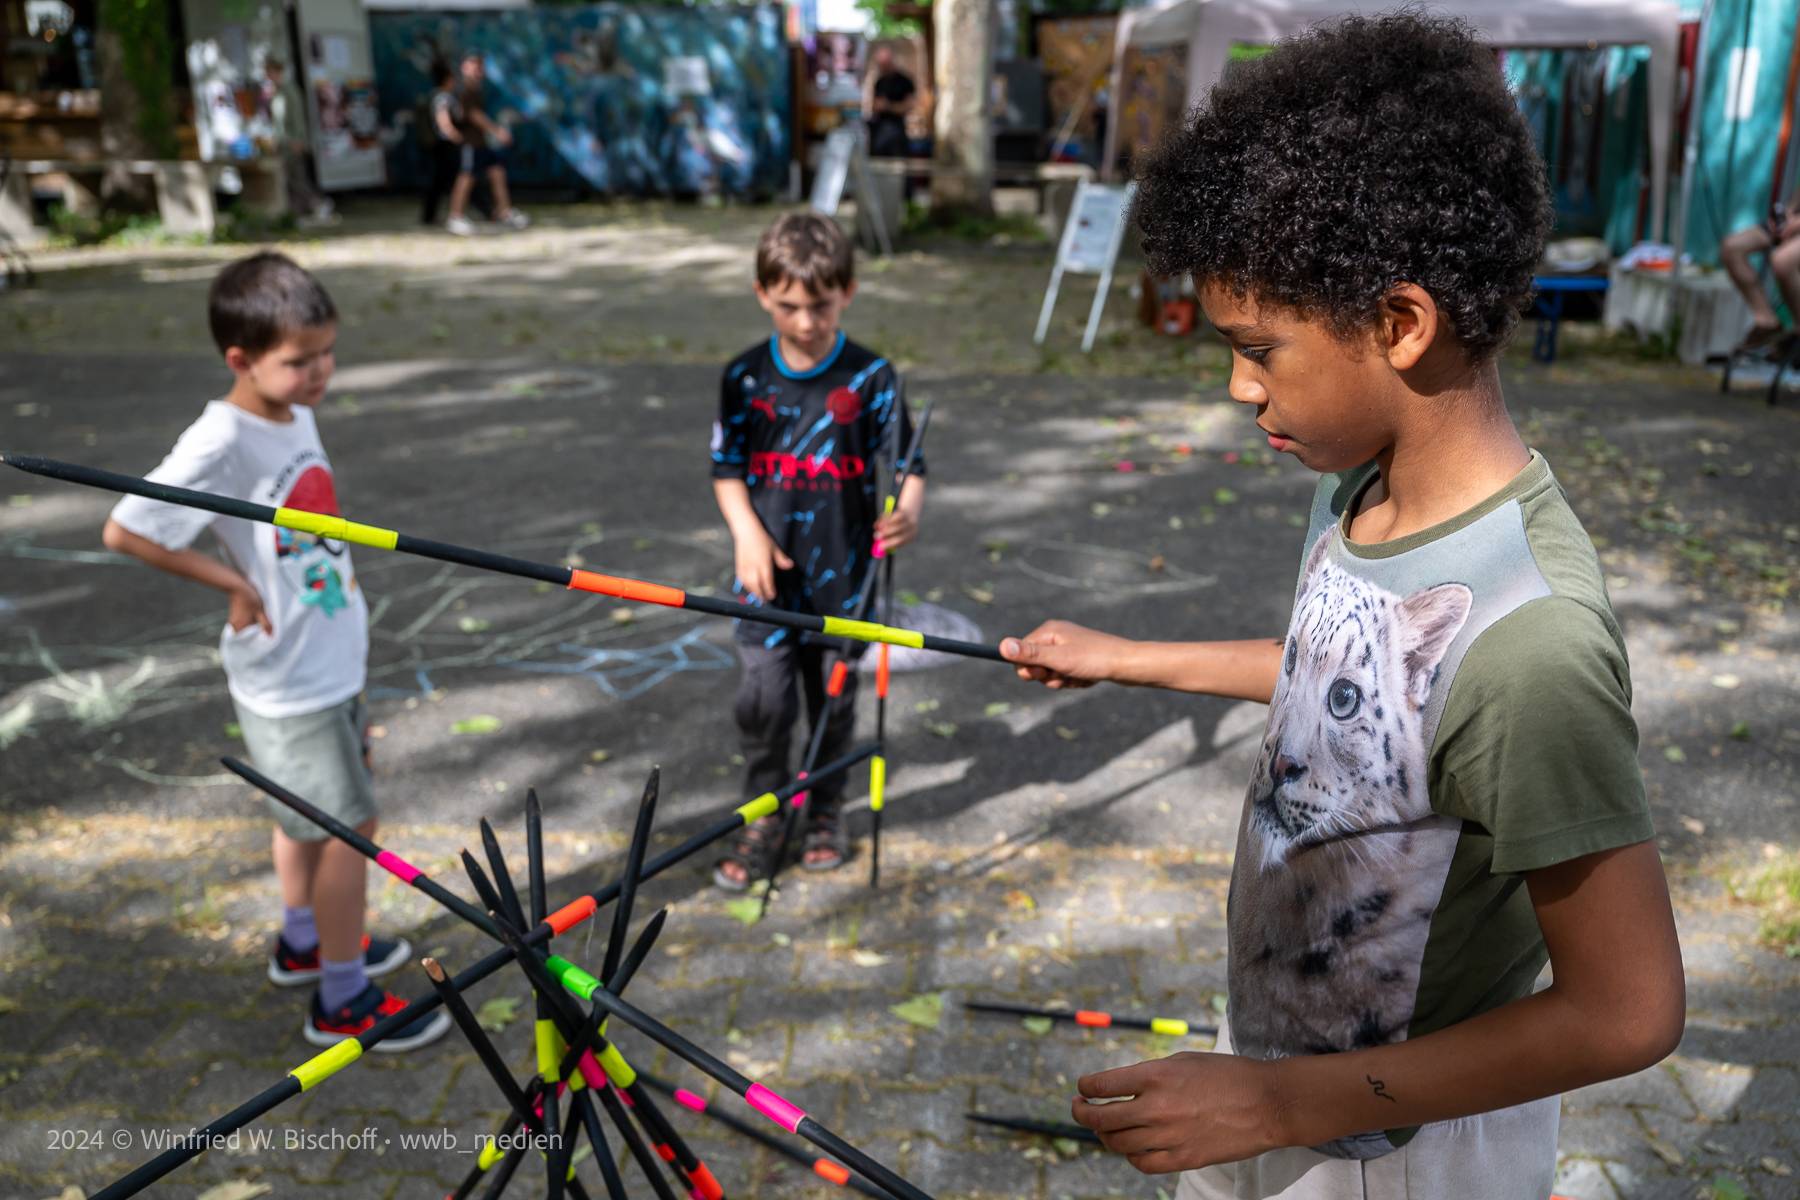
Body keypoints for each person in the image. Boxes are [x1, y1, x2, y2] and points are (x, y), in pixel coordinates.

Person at [1001, 15, 1684, 1199]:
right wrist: (1129, 657)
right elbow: (1349, 685)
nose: (1237, 386)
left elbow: (1628, 1010)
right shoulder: (1359, 483)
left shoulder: (1534, 648)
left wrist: (1277, 1105)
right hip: (1278, 1069)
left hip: (1405, 1145)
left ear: (1401, 325)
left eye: (1259, 348)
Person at [101, 253, 450, 1053]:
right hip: (292, 674)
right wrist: (231, 582)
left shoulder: (291, 408)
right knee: (349, 825)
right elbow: (126, 529)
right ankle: (343, 998)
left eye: (327, 352)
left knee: (303, 818)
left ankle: (305, 942)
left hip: (326, 652)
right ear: (241, 359)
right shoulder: (221, 435)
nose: (320, 371)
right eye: (299, 360)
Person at [710, 212, 926, 886]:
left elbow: (910, 464)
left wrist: (907, 511)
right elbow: (726, 471)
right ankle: (765, 812)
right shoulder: (744, 376)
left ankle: (826, 808)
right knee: (764, 705)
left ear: (848, 292)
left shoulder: (872, 377)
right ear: (761, 294)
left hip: (846, 583)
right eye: (788, 307)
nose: (805, 322)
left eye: (822, 306)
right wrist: (747, 533)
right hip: (765, 582)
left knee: (833, 706)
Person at [445, 50, 528, 236]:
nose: (478, 70)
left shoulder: (476, 88)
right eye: (473, 65)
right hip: (471, 143)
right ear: (464, 67)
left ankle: (504, 212)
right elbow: (474, 115)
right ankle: (455, 217)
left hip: (482, 142)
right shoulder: (464, 89)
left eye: (480, 66)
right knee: (466, 176)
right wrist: (496, 131)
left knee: (497, 172)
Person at [1718, 191, 1800, 354]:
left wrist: (1795, 225)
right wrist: (1787, 215)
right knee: (1732, 248)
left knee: (1782, 261)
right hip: (1794, 224)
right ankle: (1767, 323)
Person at [262, 57, 333, 224]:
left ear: (277, 72)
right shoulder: (277, 92)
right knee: (289, 179)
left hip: (293, 142)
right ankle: (299, 212)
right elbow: (279, 122)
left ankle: (319, 204)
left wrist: (299, 140)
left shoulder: (289, 90)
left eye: (270, 72)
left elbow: (297, 117)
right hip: (283, 142)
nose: (268, 75)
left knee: (298, 178)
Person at [419, 60, 464, 227]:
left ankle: (429, 215)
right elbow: (443, 119)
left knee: (441, 180)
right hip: (444, 145)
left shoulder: (438, 95)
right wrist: (454, 134)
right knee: (459, 177)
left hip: (442, 145)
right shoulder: (442, 96)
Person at [864, 46, 915, 159]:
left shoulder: (904, 81)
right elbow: (873, 105)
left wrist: (888, 106)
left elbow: (909, 106)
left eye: (884, 64)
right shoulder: (880, 82)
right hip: (880, 130)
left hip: (897, 129)